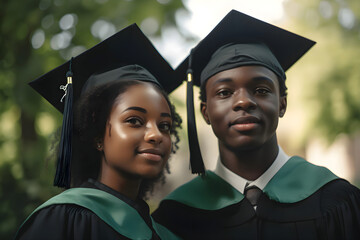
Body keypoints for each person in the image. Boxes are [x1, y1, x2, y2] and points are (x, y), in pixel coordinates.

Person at [152, 10, 360, 239]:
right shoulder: (175, 216)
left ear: (282, 104)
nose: (243, 101)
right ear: (205, 112)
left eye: (261, 90)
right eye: (224, 92)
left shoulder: (337, 200)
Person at [15, 24, 182, 240]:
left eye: (165, 125)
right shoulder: (63, 220)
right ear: (96, 134)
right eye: (134, 121)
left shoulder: (166, 235)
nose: (156, 135)